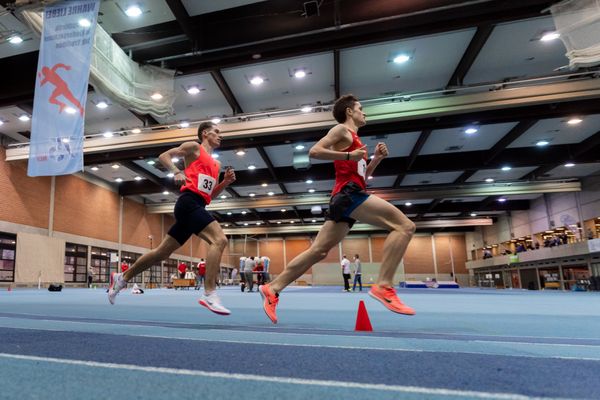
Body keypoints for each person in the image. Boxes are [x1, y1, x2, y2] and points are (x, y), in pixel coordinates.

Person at [258, 94, 416, 324]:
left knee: (318, 251)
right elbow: (314, 151)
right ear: (349, 112)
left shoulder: (357, 142)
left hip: (348, 195)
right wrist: (349, 154)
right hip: (348, 195)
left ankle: (273, 288)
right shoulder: (342, 130)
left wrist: (376, 159)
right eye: (361, 108)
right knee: (404, 226)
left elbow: (361, 176)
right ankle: (383, 285)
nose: (365, 112)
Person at [108, 121, 236, 315]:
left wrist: (225, 182)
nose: (220, 135)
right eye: (216, 132)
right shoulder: (194, 148)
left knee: (161, 253)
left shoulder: (216, 164)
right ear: (204, 134)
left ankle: (123, 277)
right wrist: (176, 171)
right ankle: (209, 293)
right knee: (219, 240)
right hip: (187, 203)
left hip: (198, 205)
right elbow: (164, 156)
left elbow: (209, 196)